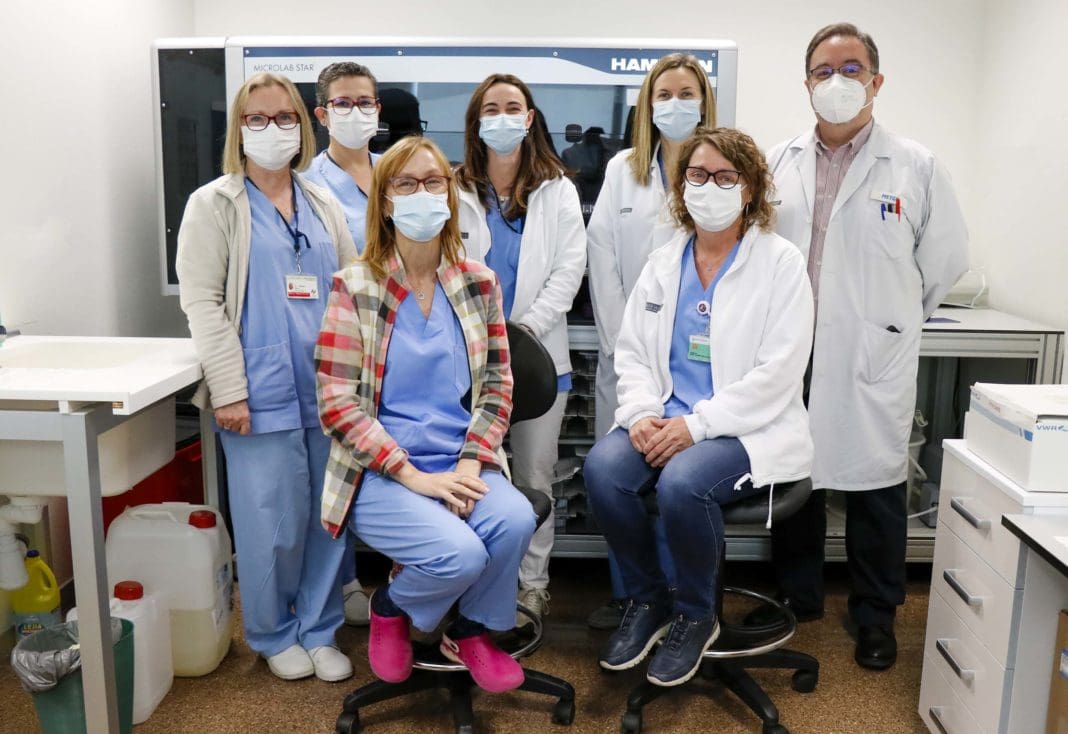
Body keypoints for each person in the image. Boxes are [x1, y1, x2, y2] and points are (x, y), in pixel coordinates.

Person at [761, 23, 969, 670]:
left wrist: (890, 323)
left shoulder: (915, 165)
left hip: (870, 351)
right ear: (806, 83)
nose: (837, 81)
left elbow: (944, 263)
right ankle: (797, 597)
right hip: (791, 348)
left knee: (877, 485)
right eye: (824, 71)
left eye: (851, 69)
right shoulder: (777, 161)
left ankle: (876, 615)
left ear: (877, 81)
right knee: (793, 475)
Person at [583, 126, 814, 687]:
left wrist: (698, 425)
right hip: (665, 415)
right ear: (682, 186)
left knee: (682, 483)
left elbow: (778, 374)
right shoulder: (664, 262)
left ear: (750, 189)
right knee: (603, 471)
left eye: (725, 177)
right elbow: (633, 352)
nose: (709, 187)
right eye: (698, 175)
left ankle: (695, 613)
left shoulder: (780, 262)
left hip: (744, 427)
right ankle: (648, 599)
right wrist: (641, 413)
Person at [316, 136, 537, 693]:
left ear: (450, 194)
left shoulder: (479, 283)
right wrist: (413, 475)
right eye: (406, 183)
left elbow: (497, 386)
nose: (422, 193)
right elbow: (338, 403)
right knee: (460, 555)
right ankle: (391, 606)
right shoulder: (355, 286)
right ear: (386, 201)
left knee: (514, 520)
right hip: (383, 472)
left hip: (461, 459)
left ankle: (470, 631)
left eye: (434, 182)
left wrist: (470, 463)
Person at [176, 72, 357, 682]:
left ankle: (320, 627)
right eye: (257, 118)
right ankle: (274, 631)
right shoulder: (214, 204)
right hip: (256, 392)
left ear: (302, 127)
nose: (271, 128)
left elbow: (352, 290)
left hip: (328, 389)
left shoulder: (323, 203)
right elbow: (203, 303)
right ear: (239, 129)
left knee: (328, 518)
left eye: (284, 117)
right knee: (269, 523)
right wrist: (229, 389)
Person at [584, 53, 717, 629]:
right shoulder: (624, 169)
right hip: (629, 357)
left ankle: (686, 603)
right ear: (647, 105)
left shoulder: (718, 170)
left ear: (704, 102)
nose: (674, 104)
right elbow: (602, 256)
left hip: (697, 361)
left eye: (686, 94)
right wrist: (623, 343)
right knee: (622, 483)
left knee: (681, 484)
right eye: (664, 95)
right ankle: (634, 598)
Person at [456, 74, 587, 628]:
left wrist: (522, 334)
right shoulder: (454, 188)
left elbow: (569, 270)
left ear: (530, 119)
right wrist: (484, 336)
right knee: (468, 473)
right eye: (491, 108)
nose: (503, 117)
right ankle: (472, 581)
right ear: (476, 121)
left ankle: (533, 587)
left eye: (513, 107)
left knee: (534, 475)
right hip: (467, 361)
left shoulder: (557, 189)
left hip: (538, 363)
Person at [301, 61, 381, 627]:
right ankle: (345, 580)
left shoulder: (395, 170)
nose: (356, 112)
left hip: (401, 339)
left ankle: (411, 578)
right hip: (347, 342)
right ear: (323, 114)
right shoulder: (308, 185)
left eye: (365, 102)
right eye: (343, 103)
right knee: (344, 461)